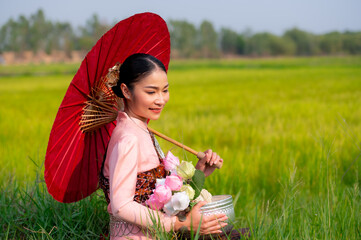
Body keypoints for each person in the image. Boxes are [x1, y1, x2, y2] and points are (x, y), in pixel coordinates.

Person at [99, 53, 226, 239]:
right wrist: (178, 223)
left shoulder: (141, 129)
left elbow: (153, 188)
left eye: (164, 90)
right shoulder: (129, 139)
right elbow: (121, 205)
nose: (161, 100)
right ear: (126, 91)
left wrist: (198, 173)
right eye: (151, 92)